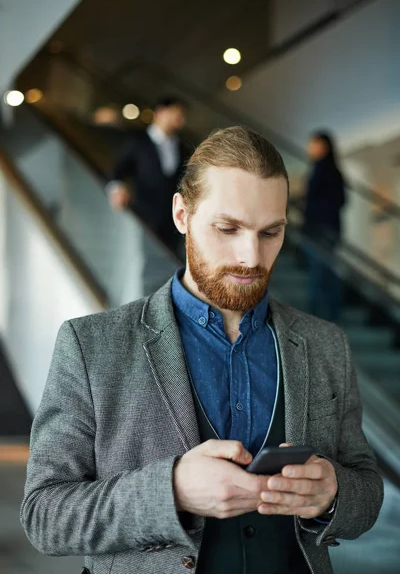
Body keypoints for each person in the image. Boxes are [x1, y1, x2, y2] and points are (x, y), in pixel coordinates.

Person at [21, 127, 382, 574]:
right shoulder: (91, 345)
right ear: (181, 214)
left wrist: (333, 494)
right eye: (228, 228)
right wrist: (171, 492)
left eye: (271, 232)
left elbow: (366, 487)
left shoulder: (327, 344)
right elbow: (43, 515)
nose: (251, 256)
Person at [107, 96, 190, 253]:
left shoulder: (182, 147)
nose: (181, 120)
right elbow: (118, 170)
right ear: (160, 112)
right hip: (144, 216)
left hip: (172, 220)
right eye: (177, 114)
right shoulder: (138, 141)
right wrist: (117, 188)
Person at [303, 131, 347, 322]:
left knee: (319, 274)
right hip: (328, 228)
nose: (309, 148)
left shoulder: (323, 169)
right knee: (326, 273)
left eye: (314, 144)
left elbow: (336, 200)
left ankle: (318, 318)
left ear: (323, 146)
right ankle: (331, 316)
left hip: (320, 229)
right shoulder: (331, 169)